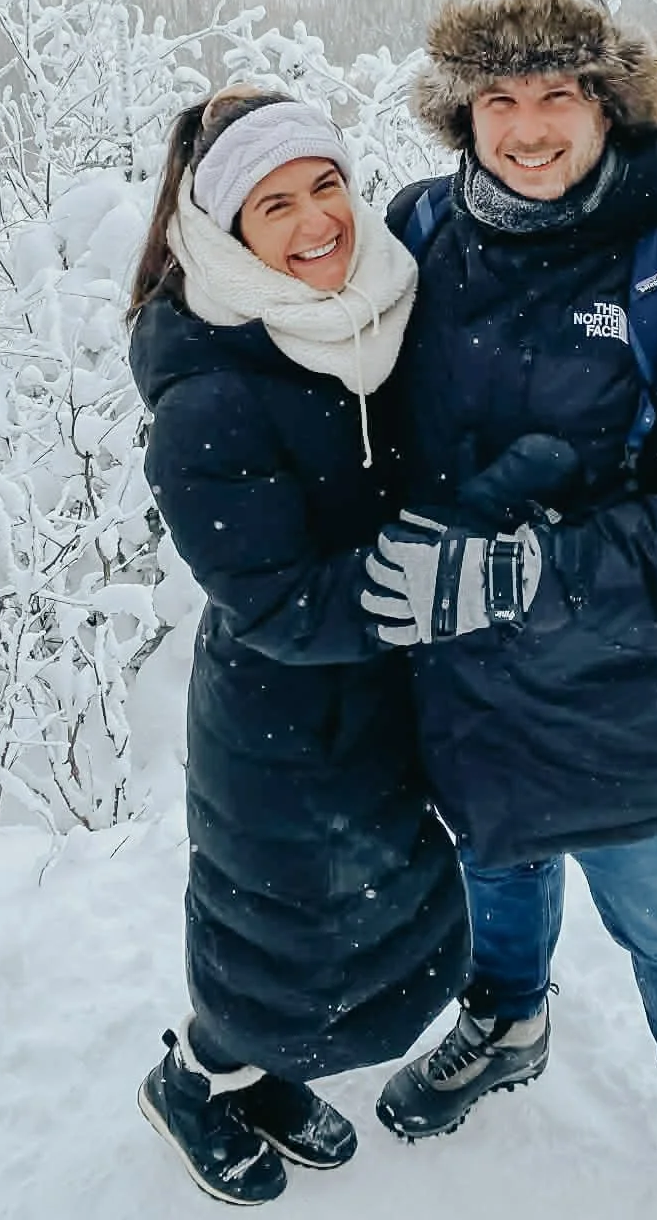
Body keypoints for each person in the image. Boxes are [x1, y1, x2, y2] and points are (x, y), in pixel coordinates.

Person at [362, 0, 657, 1219]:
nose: (528, 126)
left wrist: (529, 568)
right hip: (464, 680)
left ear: (607, 100)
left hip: (629, 692)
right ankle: (508, 1018)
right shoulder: (420, 232)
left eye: (557, 90)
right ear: (462, 110)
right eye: (498, 96)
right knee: (498, 869)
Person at [126, 84, 470, 1206]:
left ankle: (261, 1073)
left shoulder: (372, 308)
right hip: (279, 727)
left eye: (327, 185)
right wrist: (440, 592)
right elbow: (274, 599)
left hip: (374, 703)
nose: (318, 219)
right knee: (275, 945)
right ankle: (192, 1080)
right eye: (276, 205)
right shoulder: (211, 390)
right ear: (230, 231)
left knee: (351, 932)